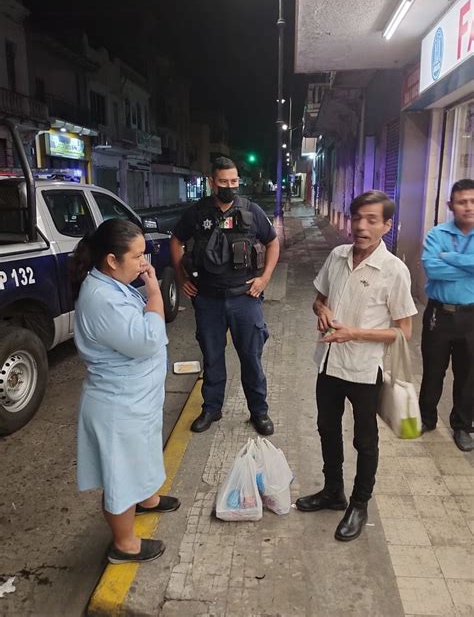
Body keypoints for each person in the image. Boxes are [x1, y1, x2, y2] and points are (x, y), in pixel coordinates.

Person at [296, 190, 417, 541]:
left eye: (371, 220)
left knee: (365, 440)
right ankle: (333, 491)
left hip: (365, 370)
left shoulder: (394, 270)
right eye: (357, 218)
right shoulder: (336, 256)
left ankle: (359, 504)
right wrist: (322, 311)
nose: (361, 226)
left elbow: (404, 331)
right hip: (328, 364)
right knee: (327, 429)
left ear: (386, 225)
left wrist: (355, 333)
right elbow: (319, 298)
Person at [70, 219, 180, 565]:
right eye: (137, 256)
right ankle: (125, 545)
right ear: (112, 260)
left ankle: (146, 499)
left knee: (141, 453)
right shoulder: (102, 298)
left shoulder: (113, 283)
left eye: (145, 254)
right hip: (118, 405)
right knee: (120, 474)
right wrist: (155, 293)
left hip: (135, 399)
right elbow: (148, 340)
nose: (144, 263)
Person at [170, 156, 280, 435]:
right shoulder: (197, 213)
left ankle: (259, 412)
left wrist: (265, 278)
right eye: (223, 182)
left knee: (251, 358)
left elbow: (272, 242)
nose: (229, 187)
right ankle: (211, 409)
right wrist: (182, 277)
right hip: (208, 299)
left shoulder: (252, 211)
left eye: (233, 182)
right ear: (211, 182)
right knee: (212, 357)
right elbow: (176, 240)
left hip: (245, 298)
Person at [419, 178, 474, 452]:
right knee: (433, 369)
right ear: (451, 205)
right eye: (462, 202)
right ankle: (427, 418)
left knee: (468, 374)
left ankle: (462, 426)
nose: (468, 207)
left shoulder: (444, 245)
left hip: (471, 316)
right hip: (438, 315)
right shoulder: (436, 234)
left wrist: (450, 258)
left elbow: (442, 265)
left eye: (473, 201)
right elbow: (432, 269)